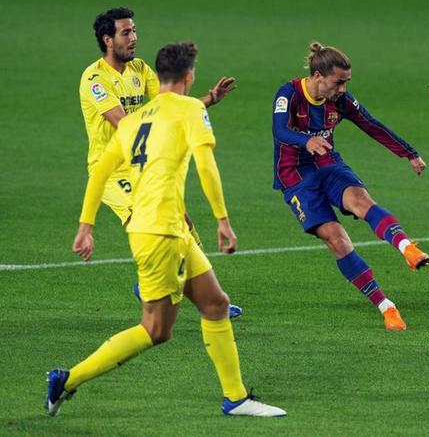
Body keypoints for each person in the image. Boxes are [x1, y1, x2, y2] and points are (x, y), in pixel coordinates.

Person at [46, 42, 285, 418]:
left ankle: (236, 398)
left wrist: (86, 226)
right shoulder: (190, 108)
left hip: (166, 227)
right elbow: (206, 166)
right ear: (189, 76)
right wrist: (222, 220)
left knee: (215, 304)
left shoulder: (137, 118)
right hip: (159, 233)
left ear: (157, 78)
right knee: (156, 330)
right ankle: (68, 380)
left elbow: (101, 171)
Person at [80, 6, 242, 317]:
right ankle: (154, 287)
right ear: (108, 40)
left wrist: (208, 99)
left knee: (184, 223)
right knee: (148, 220)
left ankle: (210, 296)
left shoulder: (141, 70)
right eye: (126, 32)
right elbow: (125, 124)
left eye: (135, 30)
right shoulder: (94, 79)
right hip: (112, 171)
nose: (134, 37)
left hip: (142, 163)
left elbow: (169, 104)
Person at [271, 42, 429, 331]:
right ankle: (387, 307)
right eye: (338, 82)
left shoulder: (340, 101)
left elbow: (371, 124)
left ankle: (407, 248)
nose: (342, 89)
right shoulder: (289, 94)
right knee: (338, 241)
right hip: (295, 177)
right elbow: (279, 130)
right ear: (318, 76)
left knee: (361, 202)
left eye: (346, 82)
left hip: (328, 165)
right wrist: (306, 140)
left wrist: (408, 152)